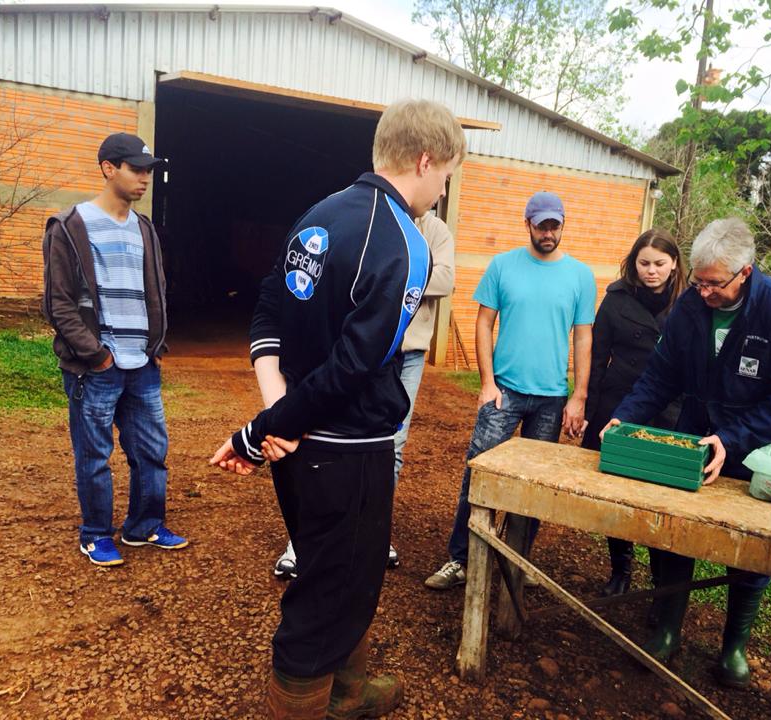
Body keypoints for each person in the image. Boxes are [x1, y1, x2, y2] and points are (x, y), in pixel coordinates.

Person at [210, 98, 466, 719]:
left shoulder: (317, 214)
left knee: (344, 574)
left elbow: (267, 308)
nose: (442, 189)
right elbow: (355, 367)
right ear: (425, 161)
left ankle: (349, 693)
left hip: (295, 447)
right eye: (446, 175)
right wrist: (264, 428)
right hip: (349, 449)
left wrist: (277, 416)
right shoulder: (406, 244)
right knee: (328, 596)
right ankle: (313, 704)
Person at [603, 217, 771, 688]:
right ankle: (667, 629)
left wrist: (733, 438)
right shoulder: (690, 306)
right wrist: (625, 417)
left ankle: (733, 647)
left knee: (748, 548)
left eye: (714, 285)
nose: (704, 293)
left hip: (755, 452)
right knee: (676, 533)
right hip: (694, 436)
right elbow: (660, 376)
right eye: (698, 283)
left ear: (745, 272)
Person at [424, 190, 596, 591]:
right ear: (528, 224)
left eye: (555, 226)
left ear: (562, 226)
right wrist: (486, 383)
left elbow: (583, 337)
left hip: (551, 397)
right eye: (542, 225)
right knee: (479, 472)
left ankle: (516, 561)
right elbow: (484, 323)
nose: (549, 233)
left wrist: (579, 395)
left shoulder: (580, 276)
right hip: (504, 391)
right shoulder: (503, 265)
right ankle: (461, 559)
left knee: (532, 485)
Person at [272, 213, 455, 578]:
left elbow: (446, 280)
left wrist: (386, 273)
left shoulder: (436, 230)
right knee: (324, 437)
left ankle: (371, 531)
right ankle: (305, 539)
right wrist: (408, 274)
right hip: (360, 348)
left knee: (392, 447)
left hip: (408, 355)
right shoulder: (371, 216)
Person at [41, 132, 188, 567]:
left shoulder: (144, 228)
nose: (145, 178)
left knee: (151, 452)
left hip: (142, 363)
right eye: (136, 169)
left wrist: (155, 345)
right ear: (109, 168)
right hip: (96, 366)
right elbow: (58, 304)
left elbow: (156, 292)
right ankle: (96, 534)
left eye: (148, 171)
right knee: (94, 456)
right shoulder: (70, 226)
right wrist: (97, 355)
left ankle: (144, 526)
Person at [581, 228, 686, 597]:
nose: (651, 271)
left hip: (669, 410)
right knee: (618, 490)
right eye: (644, 263)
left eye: (659, 263)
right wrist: (588, 408)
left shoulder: (690, 304)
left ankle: (660, 583)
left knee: (662, 497)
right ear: (633, 263)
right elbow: (597, 357)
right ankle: (621, 569)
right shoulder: (616, 299)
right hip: (619, 403)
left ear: (674, 264)